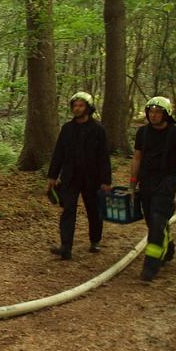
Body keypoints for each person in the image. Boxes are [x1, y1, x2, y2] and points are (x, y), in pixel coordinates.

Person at [130, 96, 176, 282]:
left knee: (158, 218)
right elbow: (137, 158)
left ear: (166, 114)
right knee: (152, 222)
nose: (153, 115)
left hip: (167, 181)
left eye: (158, 112)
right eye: (151, 112)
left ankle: (151, 265)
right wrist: (132, 182)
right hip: (146, 181)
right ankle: (168, 248)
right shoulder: (142, 133)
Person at [46, 92, 112, 260]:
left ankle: (95, 240)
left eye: (81, 105)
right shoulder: (67, 129)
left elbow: (104, 157)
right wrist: (52, 176)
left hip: (92, 178)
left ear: (88, 108)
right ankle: (66, 247)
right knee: (68, 210)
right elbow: (58, 153)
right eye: (75, 105)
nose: (77, 108)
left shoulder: (98, 130)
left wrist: (105, 181)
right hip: (70, 177)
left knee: (93, 210)